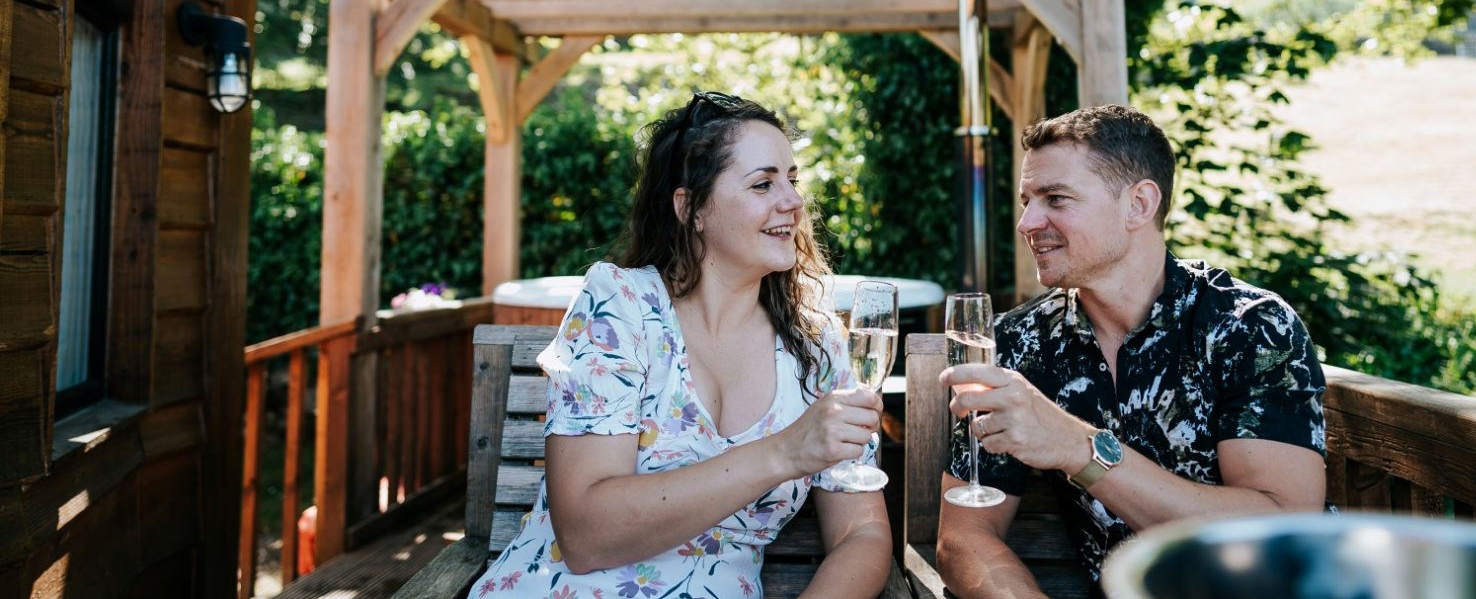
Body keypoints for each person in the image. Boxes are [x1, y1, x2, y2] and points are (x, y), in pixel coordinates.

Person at [471, 91, 893, 598]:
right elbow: (585, 535)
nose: (794, 201)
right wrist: (783, 453)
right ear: (691, 208)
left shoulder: (818, 347)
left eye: (792, 180)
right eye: (763, 183)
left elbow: (861, 532)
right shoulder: (622, 307)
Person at [937, 105, 1327, 594]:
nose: (1028, 222)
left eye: (1056, 198)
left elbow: (1282, 531)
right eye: (1026, 201)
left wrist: (1077, 448)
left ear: (1139, 205)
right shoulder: (1019, 344)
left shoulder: (1249, 328)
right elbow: (965, 537)